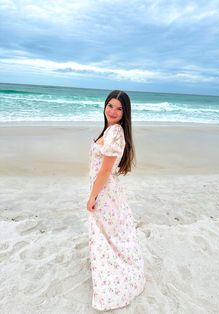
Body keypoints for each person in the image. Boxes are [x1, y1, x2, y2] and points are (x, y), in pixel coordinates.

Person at [87, 90, 146, 311]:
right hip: (105, 189)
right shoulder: (110, 130)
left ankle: (117, 275)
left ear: (125, 112)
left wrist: (92, 195)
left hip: (105, 191)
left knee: (107, 233)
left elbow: (104, 171)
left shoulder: (114, 134)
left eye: (119, 108)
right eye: (110, 105)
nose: (112, 111)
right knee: (110, 233)